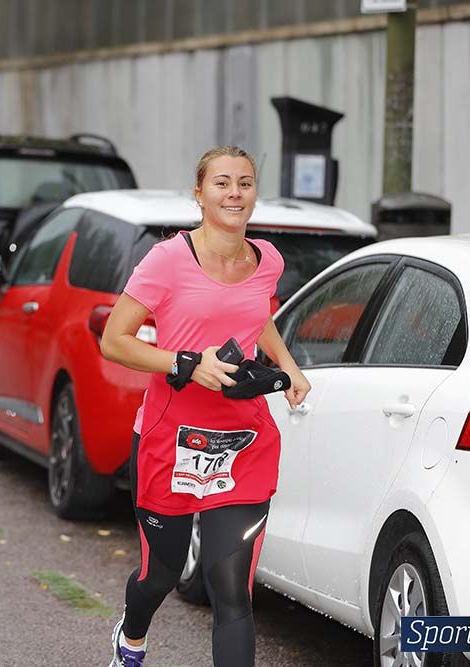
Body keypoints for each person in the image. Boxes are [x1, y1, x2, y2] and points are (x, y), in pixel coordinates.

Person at [99, 145, 311, 667]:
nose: (234, 193)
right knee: (161, 575)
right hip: (171, 439)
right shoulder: (167, 260)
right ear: (199, 194)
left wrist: (287, 362)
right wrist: (187, 363)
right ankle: (132, 633)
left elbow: (257, 315)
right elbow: (114, 340)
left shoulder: (267, 260)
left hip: (244, 442)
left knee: (231, 588)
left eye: (244, 182)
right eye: (221, 183)